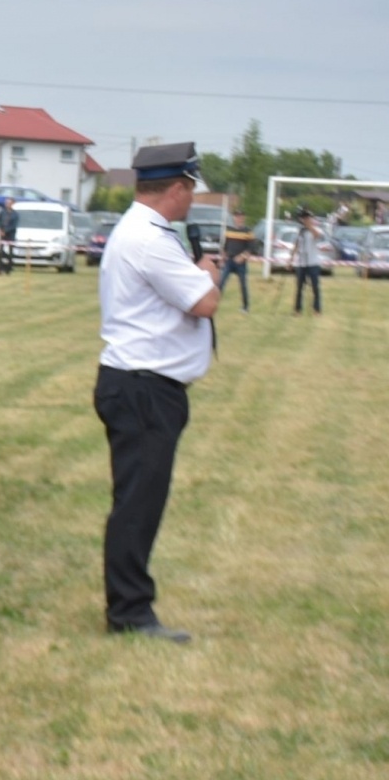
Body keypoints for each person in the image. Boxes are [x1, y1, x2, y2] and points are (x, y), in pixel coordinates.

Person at [94, 141, 219, 644]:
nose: (192, 200)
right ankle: (128, 610)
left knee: (139, 498)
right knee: (138, 503)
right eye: (190, 189)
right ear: (179, 188)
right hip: (144, 388)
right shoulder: (149, 238)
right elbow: (203, 301)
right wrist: (209, 272)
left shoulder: (143, 231)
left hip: (143, 385)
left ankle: (129, 603)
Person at [219, 209, 252, 313]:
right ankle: (214, 303)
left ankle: (245, 307)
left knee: (243, 284)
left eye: (240, 216)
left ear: (243, 218)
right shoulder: (229, 230)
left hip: (240, 262)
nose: (238, 218)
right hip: (229, 260)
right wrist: (222, 258)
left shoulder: (248, 231)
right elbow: (225, 246)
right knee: (221, 282)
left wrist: (242, 256)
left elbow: (251, 248)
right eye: (237, 216)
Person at [292, 209, 324, 315]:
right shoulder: (300, 231)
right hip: (302, 263)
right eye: (304, 218)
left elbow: (317, 236)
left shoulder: (316, 230)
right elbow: (297, 244)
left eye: (307, 218)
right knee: (300, 287)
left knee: (315, 287)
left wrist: (309, 226)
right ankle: (298, 309)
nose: (305, 220)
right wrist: (291, 258)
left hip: (313, 263)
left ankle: (317, 309)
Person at [0, 197, 19, 275]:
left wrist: (6, 231)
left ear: (12, 204)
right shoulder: (2, 212)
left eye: (9, 203)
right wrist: (0, 230)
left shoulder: (15, 214)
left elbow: (14, 225)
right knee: (0, 251)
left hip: (10, 235)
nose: (7, 204)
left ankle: (9, 269)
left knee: (10, 252)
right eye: (6, 203)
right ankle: (0, 268)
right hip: (2, 234)